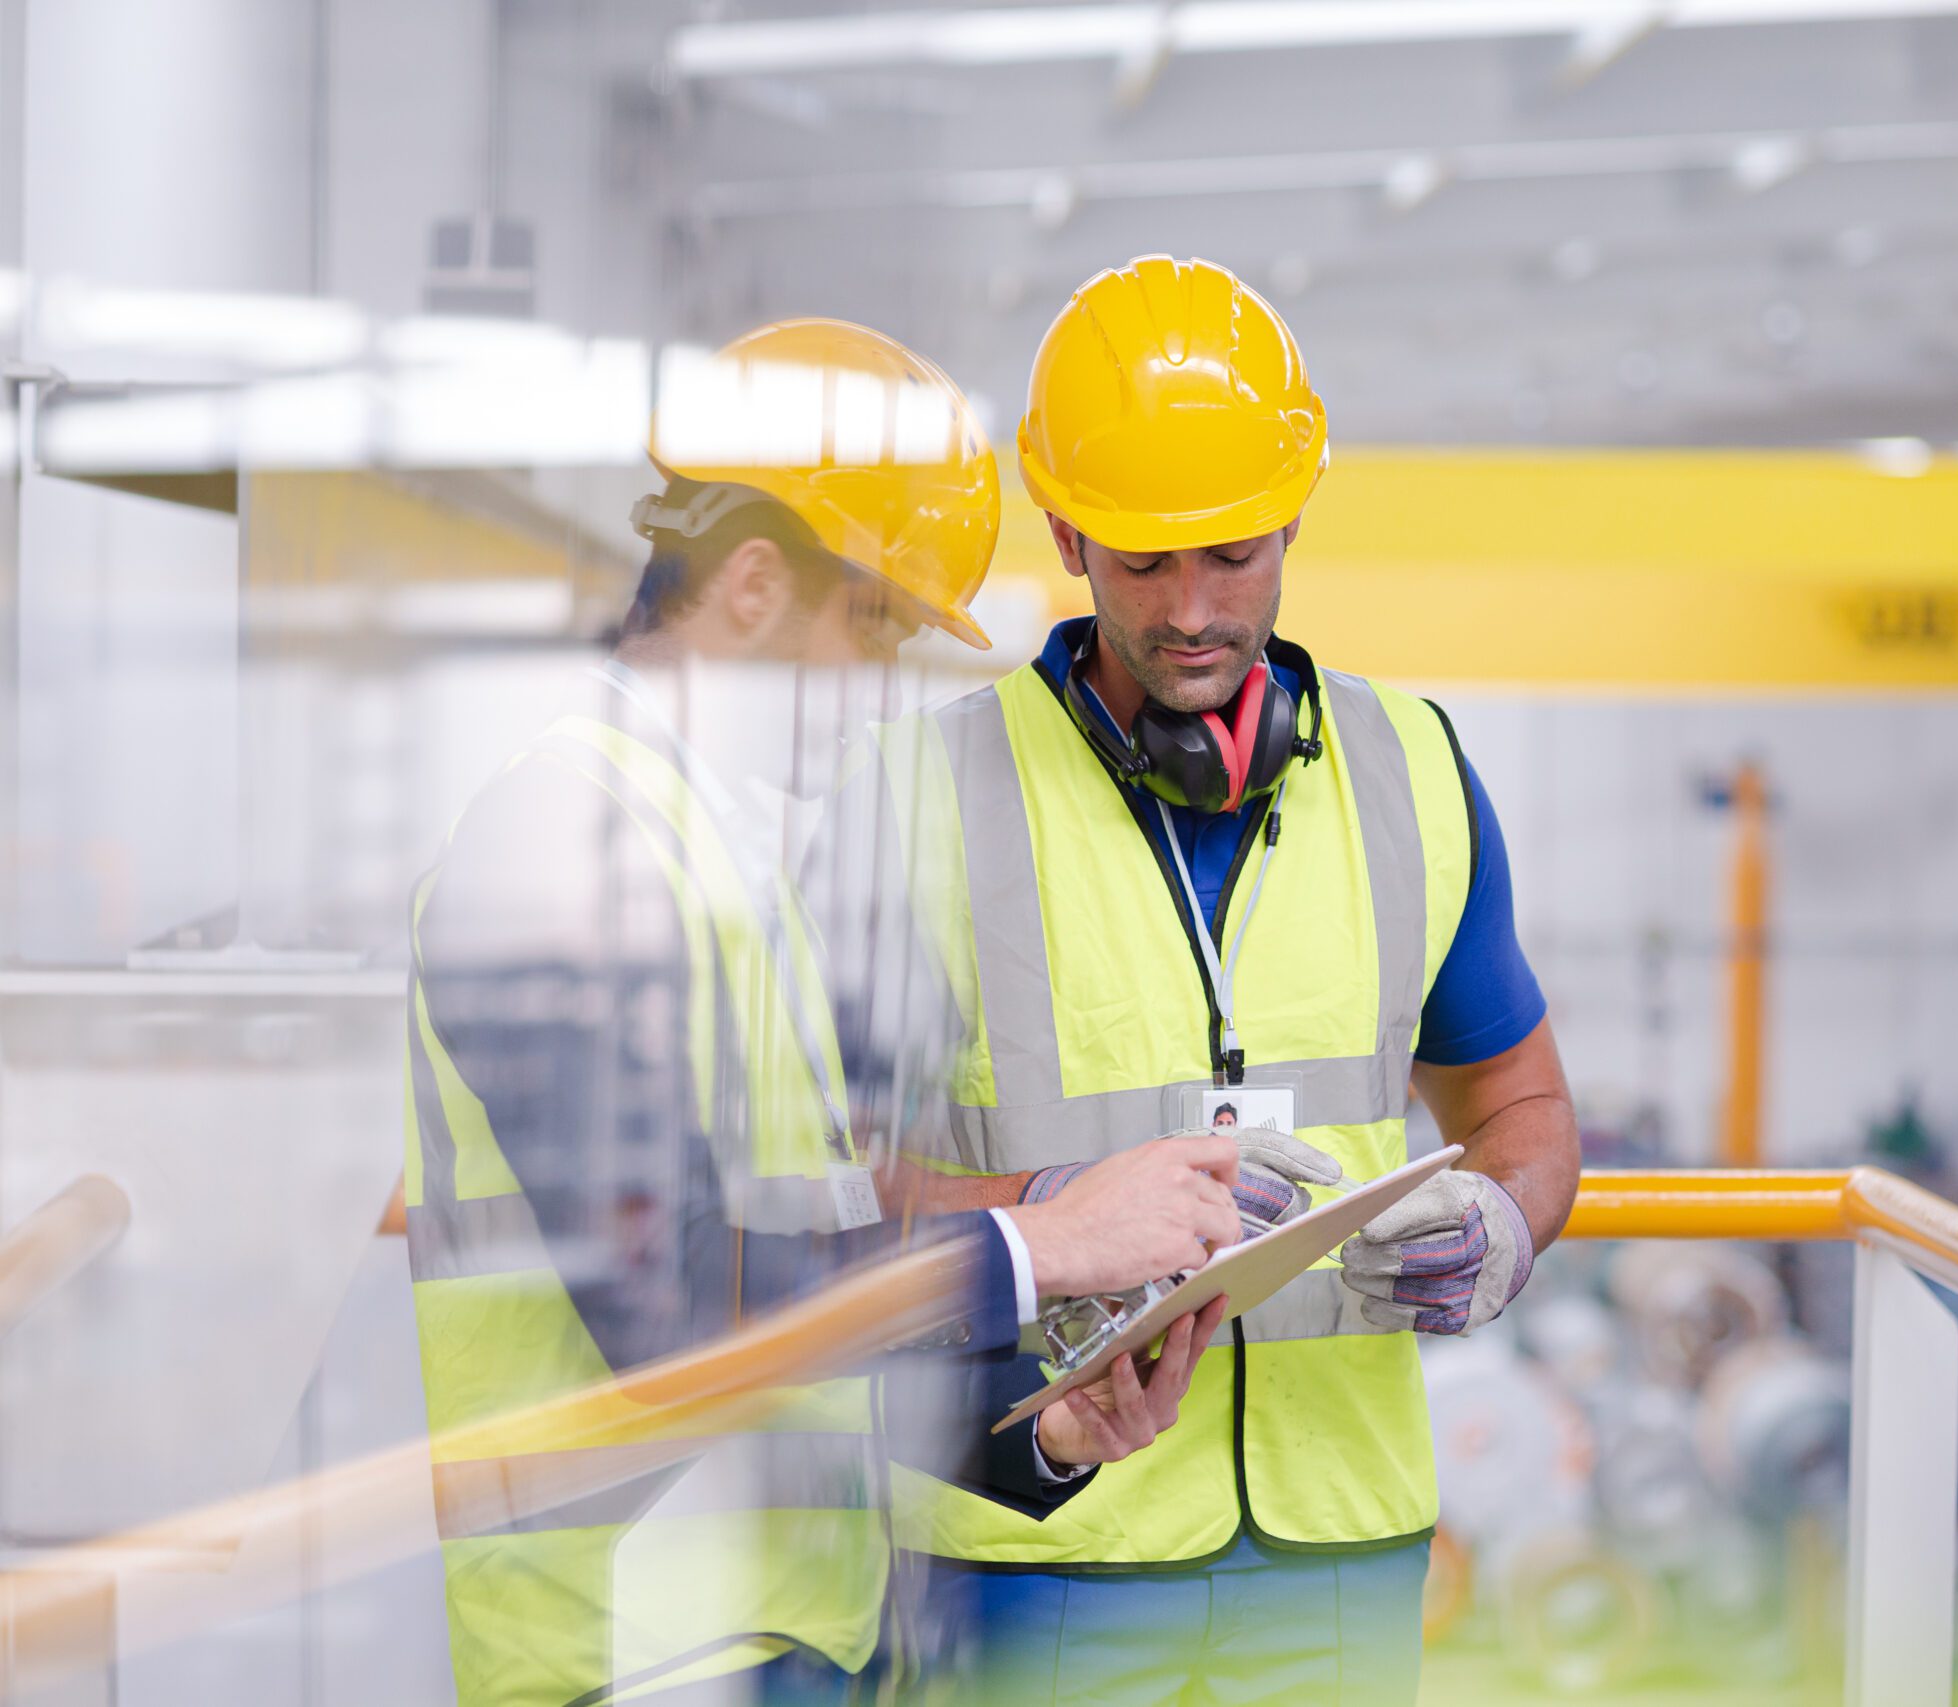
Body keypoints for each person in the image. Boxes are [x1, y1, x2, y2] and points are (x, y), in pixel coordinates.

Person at [399, 319, 1235, 1707]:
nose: (880, 684)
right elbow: (669, 1309)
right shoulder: (561, 839)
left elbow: (810, 1309)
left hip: (779, 1636)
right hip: (628, 1650)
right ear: (747, 585)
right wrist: (1038, 1245)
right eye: (877, 622)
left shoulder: (730, 873)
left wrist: (1043, 1435)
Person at [892, 257, 1581, 1705]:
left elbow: (1519, 1098)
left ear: (1294, 518)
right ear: (1066, 532)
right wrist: (1051, 1218)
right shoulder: (921, 797)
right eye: (1145, 562)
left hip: (1345, 1540)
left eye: (1236, 555)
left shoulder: (1416, 776)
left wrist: (1505, 1226)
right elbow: (819, 1181)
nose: (1194, 610)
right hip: (1048, 1539)